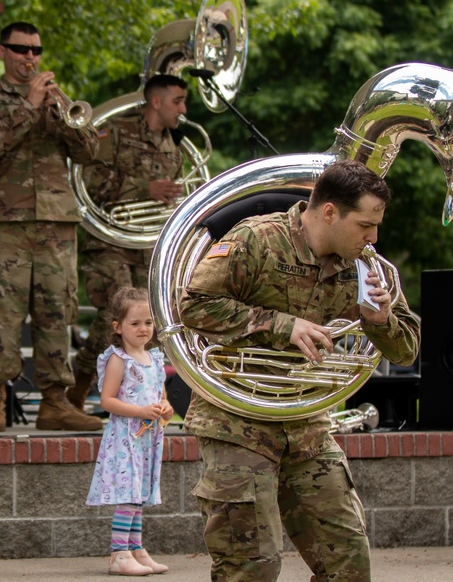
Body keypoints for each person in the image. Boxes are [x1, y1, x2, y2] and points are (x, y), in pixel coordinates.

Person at [178, 160, 420, 581]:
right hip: (237, 423)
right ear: (330, 212)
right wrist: (281, 325)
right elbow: (193, 306)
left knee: (349, 564)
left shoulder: (364, 265)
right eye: (365, 224)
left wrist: (380, 322)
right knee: (251, 567)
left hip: (306, 425)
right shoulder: (256, 240)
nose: (373, 238)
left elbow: (406, 352)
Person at [0, 21, 102, 432]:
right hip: (4, 223)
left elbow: (89, 149)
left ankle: (55, 402)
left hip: (55, 224)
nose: (30, 58)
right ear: (2, 52)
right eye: (22, 50)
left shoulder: (57, 102)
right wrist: (28, 106)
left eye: (36, 51)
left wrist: (62, 114)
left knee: (56, 312)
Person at [69, 74, 188, 409]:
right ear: (156, 102)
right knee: (120, 314)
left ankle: (137, 398)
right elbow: (91, 182)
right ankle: (79, 388)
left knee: (147, 322)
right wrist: (144, 188)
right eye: (177, 101)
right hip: (110, 243)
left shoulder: (173, 146)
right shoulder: (117, 131)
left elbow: (167, 197)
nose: (183, 108)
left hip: (146, 245)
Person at [85, 287, 173, 576]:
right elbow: (108, 401)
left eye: (148, 322)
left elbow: (160, 396)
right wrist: (140, 412)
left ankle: (137, 549)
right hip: (126, 436)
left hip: (147, 437)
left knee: (139, 494)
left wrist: (165, 408)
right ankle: (119, 553)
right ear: (118, 327)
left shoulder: (156, 358)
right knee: (128, 494)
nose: (143, 329)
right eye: (135, 323)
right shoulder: (118, 359)